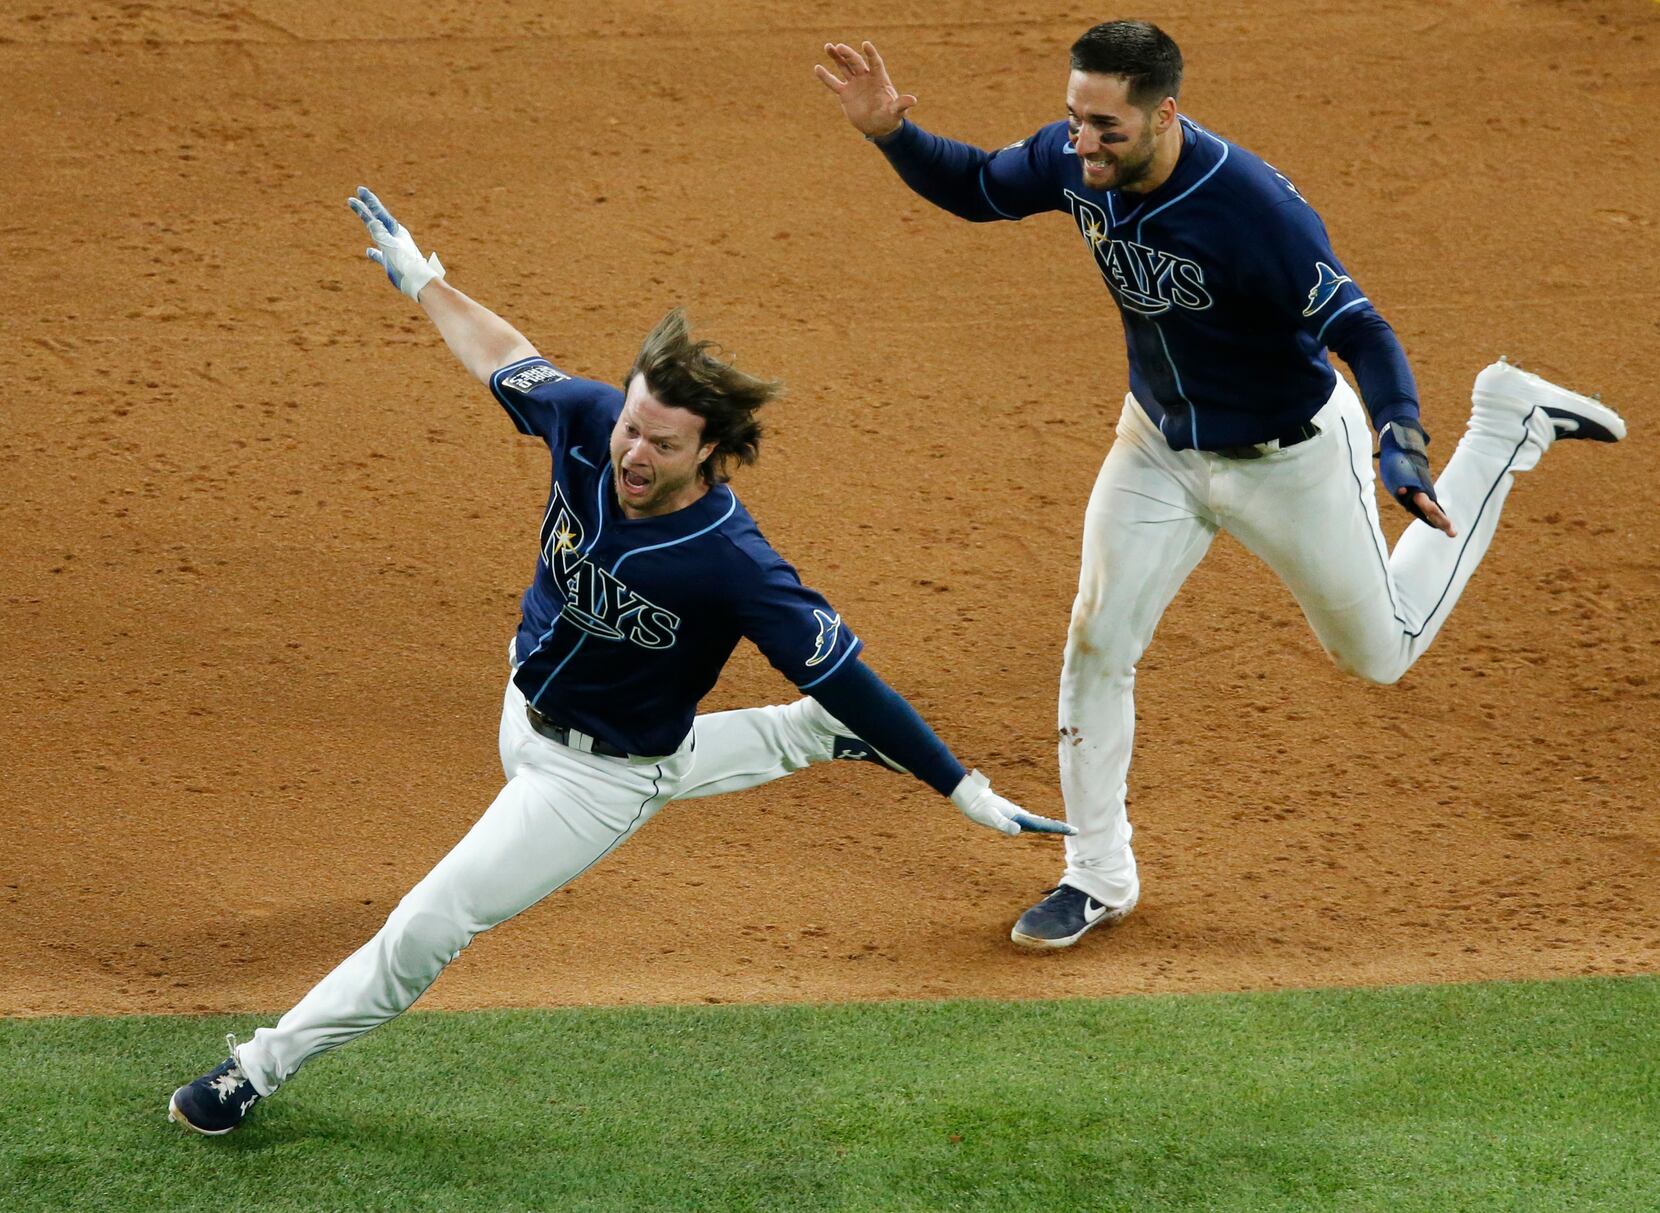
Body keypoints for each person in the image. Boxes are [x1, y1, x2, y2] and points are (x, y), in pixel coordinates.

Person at [166, 187, 1073, 1135]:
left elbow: (851, 675)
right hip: (524, 702)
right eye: (631, 426)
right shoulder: (591, 425)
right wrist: (427, 283)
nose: (633, 451)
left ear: (711, 450)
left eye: (661, 442)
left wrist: (960, 787)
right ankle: (809, 739)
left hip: (594, 779)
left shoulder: (737, 566)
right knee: (693, 739)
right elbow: (507, 358)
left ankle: (255, 1069)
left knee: (430, 924)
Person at [815, 21, 1626, 949]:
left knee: (1382, 652)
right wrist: (890, 131)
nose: (1082, 141)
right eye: (1075, 118)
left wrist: (1402, 439)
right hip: (1157, 444)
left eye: (1106, 126)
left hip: (1289, 460)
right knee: (1096, 639)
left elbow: (1361, 328)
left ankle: (1504, 423)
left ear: (1166, 113)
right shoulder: (1073, 156)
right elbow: (975, 189)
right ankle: (1097, 872)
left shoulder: (1252, 211)